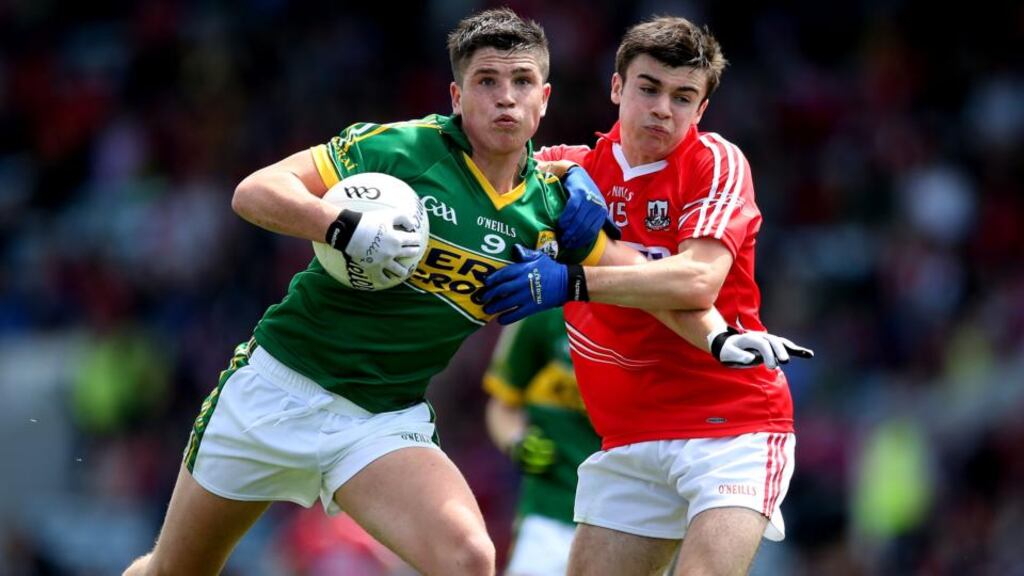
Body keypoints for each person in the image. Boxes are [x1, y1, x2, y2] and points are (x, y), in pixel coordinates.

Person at [123, 9, 613, 576]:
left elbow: (643, 267)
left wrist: (583, 181)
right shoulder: (401, 151)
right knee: (173, 571)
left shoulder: (553, 208)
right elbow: (254, 192)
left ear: (545, 97)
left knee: (469, 558)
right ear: (457, 94)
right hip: (276, 388)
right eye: (487, 81)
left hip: (379, 420)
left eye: (522, 81)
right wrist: (340, 225)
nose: (506, 97)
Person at [481, 16, 813, 576]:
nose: (664, 107)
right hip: (628, 437)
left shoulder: (715, 163)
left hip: (729, 424)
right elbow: (469, 173)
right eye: (649, 88)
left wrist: (571, 279)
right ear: (617, 87)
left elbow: (695, 282)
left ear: (701, 109)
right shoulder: (564, 172)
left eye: (683, 96)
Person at [482, 308, 600, 576]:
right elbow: (503, 405)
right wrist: (518, 441)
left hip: (631, 514)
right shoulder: (544, 312)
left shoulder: (654, 317)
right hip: (550, 507)